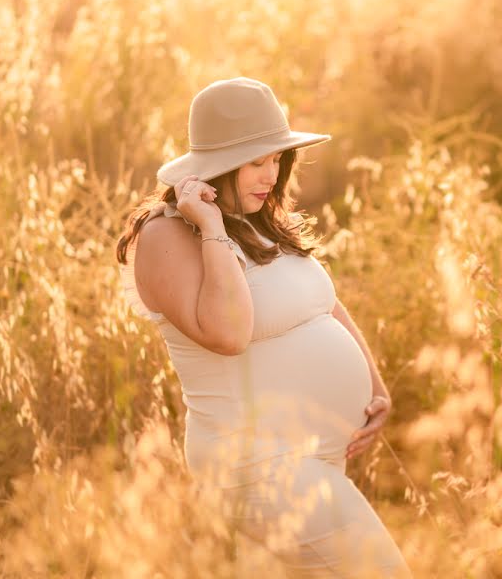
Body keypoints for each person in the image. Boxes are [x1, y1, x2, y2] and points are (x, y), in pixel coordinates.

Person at [115, 77, 412, 577]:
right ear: (217, 166)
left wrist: (376, 389)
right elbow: (228, 334)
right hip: (257, 464)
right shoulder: (167, 235)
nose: (271, 175)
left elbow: (323, 304)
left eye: (276, 160)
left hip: (309, 457)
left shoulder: (257, 218)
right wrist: (210, 229)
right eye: (257, 162)